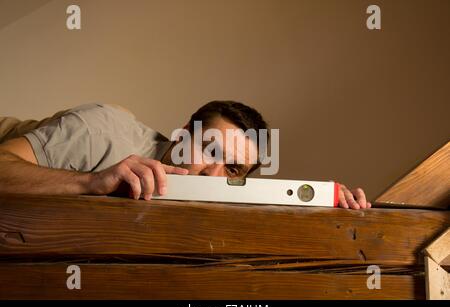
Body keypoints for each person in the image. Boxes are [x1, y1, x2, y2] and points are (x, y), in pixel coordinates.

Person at [0, 101, 371, 209]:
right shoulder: (102, 131)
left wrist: (335, 209)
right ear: (180, 136)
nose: (212, 174)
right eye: (208, 148)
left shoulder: (219, 200)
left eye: (232, 167)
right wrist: (90, 182)